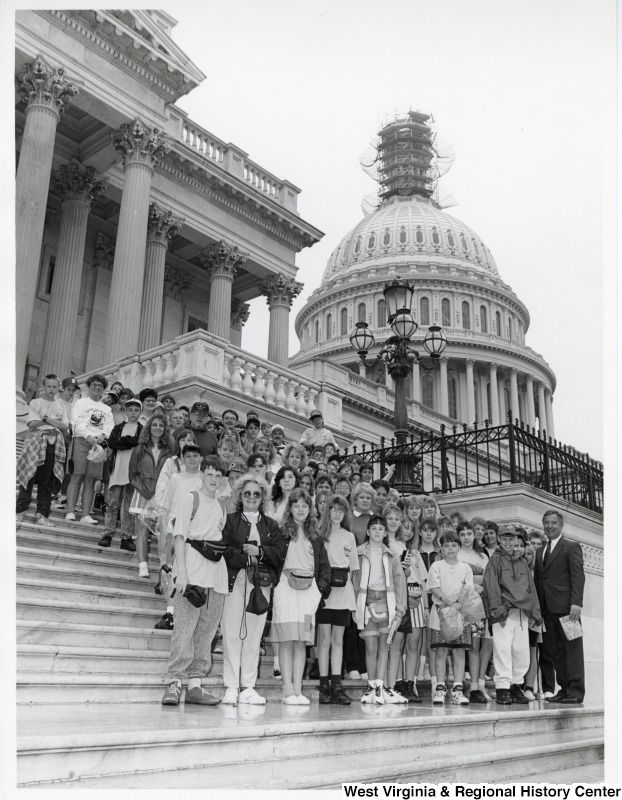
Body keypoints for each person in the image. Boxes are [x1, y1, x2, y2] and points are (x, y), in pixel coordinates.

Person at [161, 456, 228, 707]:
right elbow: (179, 537)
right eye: (209, 474)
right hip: (192, 571)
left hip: (215, 576)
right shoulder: (191, 498)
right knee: (184, 629)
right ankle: (174, 682)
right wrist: (182, 574)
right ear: (202, 475)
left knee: (206, 632)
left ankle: (195, 685)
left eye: (217, 475)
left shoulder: (221, 506)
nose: (213, 479)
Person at [221, 475, 285, 705]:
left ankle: (248, 686)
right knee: (231, 633)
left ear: (263, 497)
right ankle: (231, 686)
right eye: (247, 493)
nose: (251, 497)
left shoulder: (271, 525)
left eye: (256, 494)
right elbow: (223, 548)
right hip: (235, 581)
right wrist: (243, 557)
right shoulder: (229, 520)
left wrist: (259, 552)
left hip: (261, 586)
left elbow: (279, 554)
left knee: (254, 635)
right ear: (240, 495)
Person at [271, 488, 331, 704]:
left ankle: (298, 689)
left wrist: (319, 590)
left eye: (304, 506)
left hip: (308, 593)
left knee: (302, 641)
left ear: (310, 509)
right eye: (296, 505)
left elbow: (324, 566)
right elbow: (272, 559)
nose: (300, 510)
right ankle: (287, 689)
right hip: (286, 588)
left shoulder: (316, 536)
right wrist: (276, 584)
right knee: (287, 639)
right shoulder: (280, 532)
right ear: (290, 508)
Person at [483, 523, 542, 705]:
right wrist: (498, 611)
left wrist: (534, 612)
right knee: (502, 650)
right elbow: (491, 586)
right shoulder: (495, 560)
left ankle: (517, 686)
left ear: (516, 539)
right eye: (505, 538)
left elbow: (531, 588)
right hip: (504, 613)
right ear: (499, 539)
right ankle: (502, 688)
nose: (508, 542)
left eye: (512, 538)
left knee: (521, 652)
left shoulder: (522, 561)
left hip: (522, 614)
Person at [352, 515, 406, 704]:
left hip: (386, 601)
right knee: (370, 645)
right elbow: (354, 580)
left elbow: (400, 582)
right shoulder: (358, 553)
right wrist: (354, 605)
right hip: (366, 601)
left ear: (385, 533)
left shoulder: (392, 555)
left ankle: (380, 686)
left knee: (385, 645)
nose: (377, 531)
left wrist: (400, 608)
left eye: (380, 529)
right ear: (368, 532)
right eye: (373, 528)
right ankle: (371, 685)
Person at [534, 509, 585, 704]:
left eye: (553, 522)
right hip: (547, 612)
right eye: (546, 522)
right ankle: (564, 689)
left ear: (561, 525)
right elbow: (540, 581)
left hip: (568, 610)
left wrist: (576, 603)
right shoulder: (540, 552)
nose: (549, 526)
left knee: (573, 650)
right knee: (554, 651)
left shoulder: (571, 547)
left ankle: (576, 691)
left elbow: (578, 576)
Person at [152, 440, 204, 631]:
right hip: (175, 532)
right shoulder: (175, 478)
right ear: (182, 458)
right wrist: (164, 530)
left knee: (189, 574)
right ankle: (170, 612)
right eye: (187, 456)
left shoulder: (203, 479)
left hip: (195, 534)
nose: (191, 459)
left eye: (195, 456)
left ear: (201, 458)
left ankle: (186, 615)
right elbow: (166, 506)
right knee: (171, 572)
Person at [316, 495, 358, 705]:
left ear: (345, 513)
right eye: (333, 509)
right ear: (327, 511)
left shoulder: (349, 536)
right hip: (324, 592)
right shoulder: (319, 534)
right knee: (324, 640)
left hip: (343, 592)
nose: (336, 513)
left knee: (338, 640)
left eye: (341, 510)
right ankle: (324, 686)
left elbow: (354, 568)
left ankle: (337, 684)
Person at [426, 531, 474, 706]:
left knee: (459, 651)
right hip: (440, 612)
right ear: (441, 548)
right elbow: (433, 587)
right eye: (446, 545)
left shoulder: (465, 568)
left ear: (459, 547)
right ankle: (439, 688)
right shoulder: (436, 566)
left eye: (454, 545)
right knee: (441, 651)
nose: (450, 548)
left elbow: (467, 589)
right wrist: (447, 602)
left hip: (460, 613)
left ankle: (458, 690)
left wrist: (456, 604)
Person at [16, 374, 69, 526]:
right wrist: (53, 423)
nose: (51, 389)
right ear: (44, 387)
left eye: (54, 386)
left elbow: (65, 426)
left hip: (54, 444)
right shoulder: (35, 402)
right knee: (29, 476)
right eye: (48, 386)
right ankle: (20, 510)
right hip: (36, 441)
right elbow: (32, 423)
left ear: (57, 388)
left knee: (47, 479)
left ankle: (42, 514)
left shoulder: (61, 406)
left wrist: (46, 419)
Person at [128, 414, 174, 578]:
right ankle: (142, 566)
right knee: (142, 529)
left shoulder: (170, 451)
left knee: (163, 531)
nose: (157, 428)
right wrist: (143, 489)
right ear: (149, 427)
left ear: (165, 429)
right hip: (142, 492)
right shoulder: (140, 448)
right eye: (154, 425)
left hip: (161, 495)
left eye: (161, 426)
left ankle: (164, 569)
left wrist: (160, 493)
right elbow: (132, 473)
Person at [65, 374, 114, 524]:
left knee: (90, 480)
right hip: (81, 441)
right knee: (76, 476)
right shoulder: (80, 403)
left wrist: (103, 436)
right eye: (94, 385)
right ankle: (70, 511)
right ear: (89, 386)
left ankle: (86, 513)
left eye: (100, 386)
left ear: (103, 389)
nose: (96, 388)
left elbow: (109, 426)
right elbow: (76, 420)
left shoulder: (106, 409)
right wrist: (87, 435)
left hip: (97, 445)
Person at [97, 398, 143, 550]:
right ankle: (108, 534)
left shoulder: (142, 429)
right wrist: (129, 441)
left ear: (140, 412)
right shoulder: (118, 427)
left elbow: (140, 442)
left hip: (132, 473)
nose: (133, 413)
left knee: (129, 507)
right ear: (126, 411)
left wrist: (125, 441)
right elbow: (112, 443)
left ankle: (126, 537)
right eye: (130, 410)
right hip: (117, 471)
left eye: (136, 410)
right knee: (112, 504)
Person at [456, 520, 490, 703]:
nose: (466, 537)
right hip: (458, 607)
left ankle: (475, 687)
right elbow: (453, 577)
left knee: (475, 647)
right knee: (460, 647)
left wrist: (474, 581)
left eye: (469, 534)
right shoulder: (455, 552)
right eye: (462, 534)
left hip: (477, 607)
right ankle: (458, 686)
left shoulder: (482, 556)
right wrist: (473, 582)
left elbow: (487, 579)